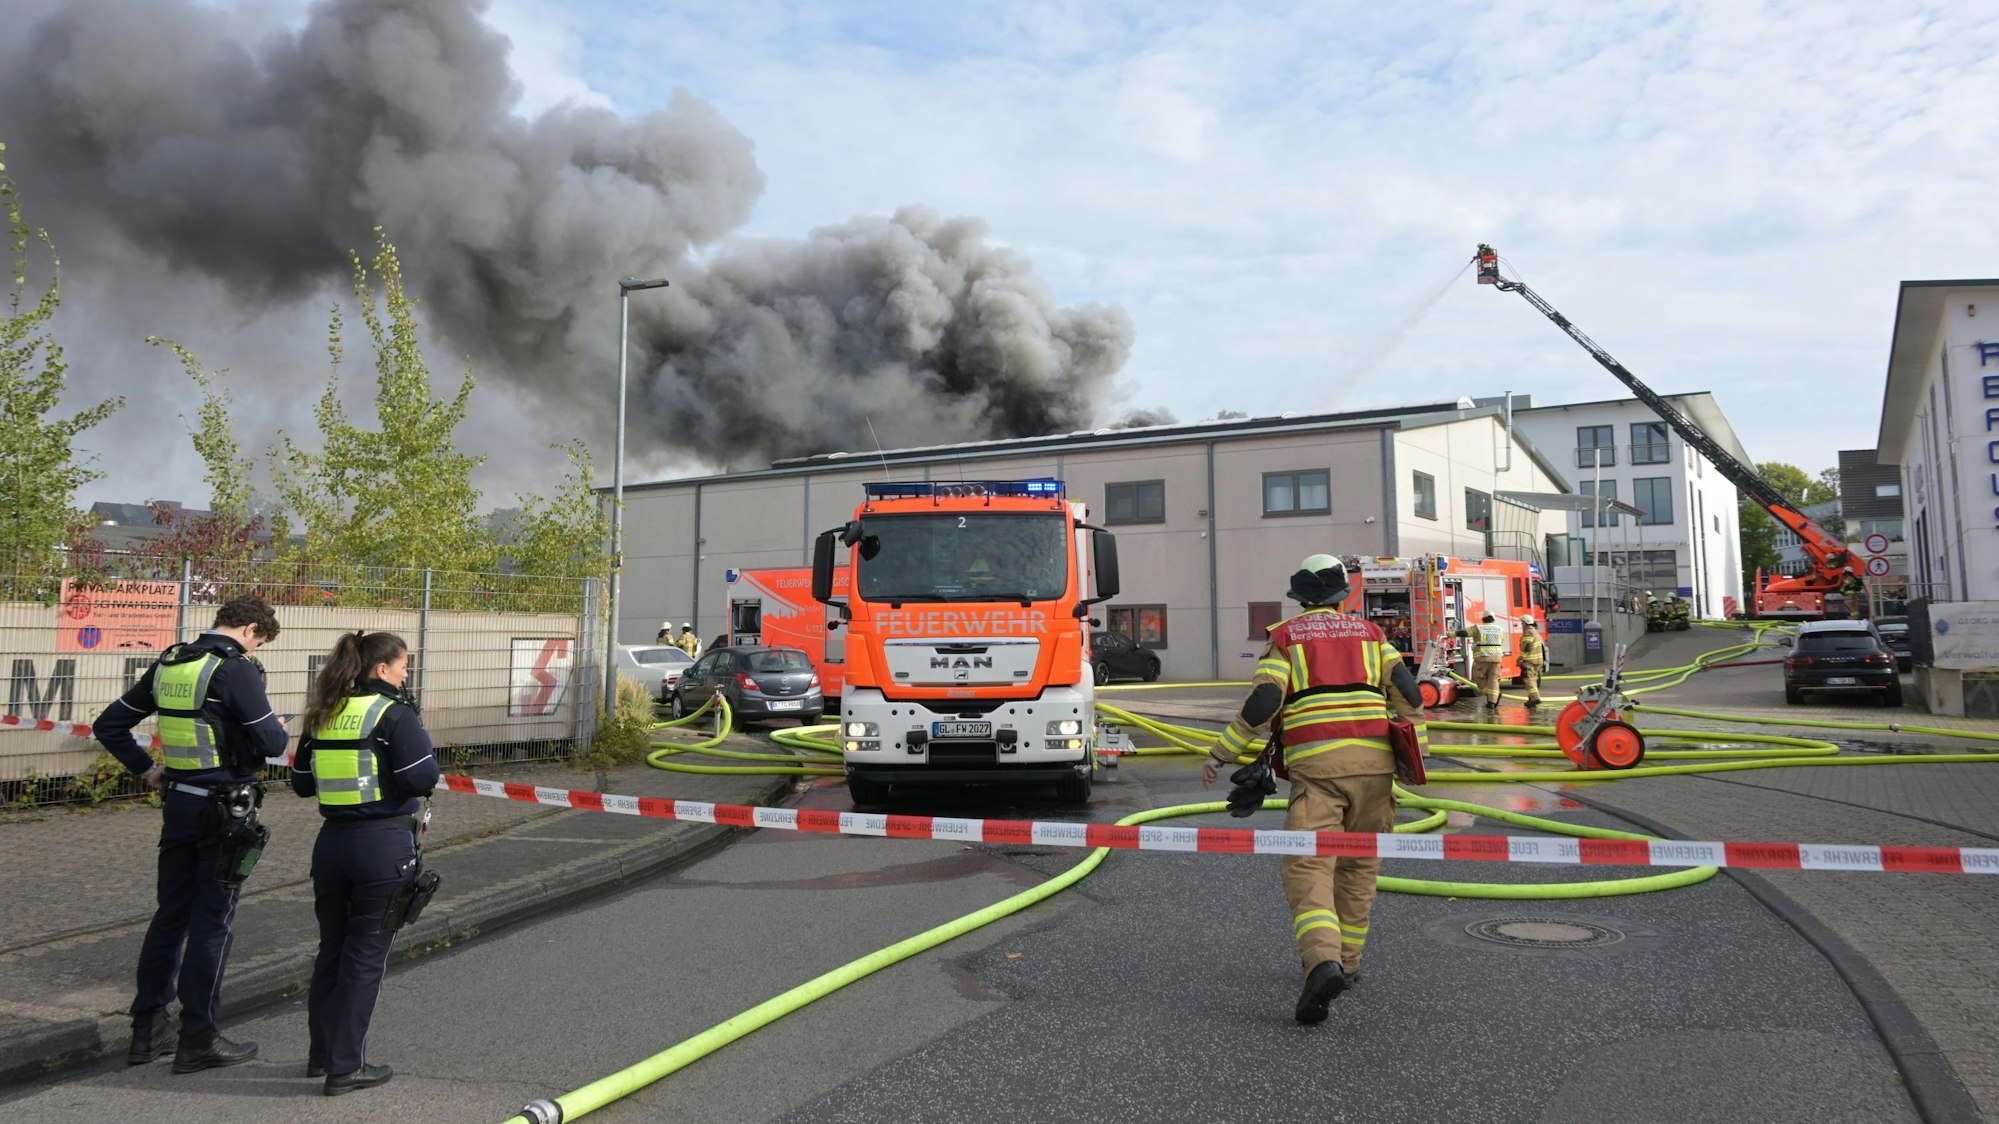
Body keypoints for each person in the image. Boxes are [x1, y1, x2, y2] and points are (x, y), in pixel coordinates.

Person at [1202, 554, 1426, 1024]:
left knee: (1308, 865)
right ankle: (1348, 963)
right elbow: (1410, 692)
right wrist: (1416, 751)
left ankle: (1322, 961)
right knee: (1359, 866)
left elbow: (1265, 701)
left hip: (1319, 771)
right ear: (1343, 594)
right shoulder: (1372, 634)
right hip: (1375, 769)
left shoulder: (1286, 638)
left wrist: (1221, 753)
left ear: (1300, 596)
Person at [93, 596, 289, 1073]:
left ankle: (147, 1032)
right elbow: (273, 744)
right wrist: (276, 728)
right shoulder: (234, 669)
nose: (254, 650)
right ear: (248, 629)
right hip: (225, 811)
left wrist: (148, 771)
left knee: (170, 918)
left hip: (179, 803)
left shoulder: (171, 662)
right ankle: (198, 1038)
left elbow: (109, 724)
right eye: (258, 641)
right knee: (211, 924)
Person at [290, 631, 440, 1096]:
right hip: (381, 847)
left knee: (332, 952)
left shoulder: (325, 712)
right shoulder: (394, 714)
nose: (406, 673)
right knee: (365, 958)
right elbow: (422, 777)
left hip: (331, 845)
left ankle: (323, 1055)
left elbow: (300, 783)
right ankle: (346, 1067)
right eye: (403, 665)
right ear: (382, 670)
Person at [1453, 611, 1508, 707]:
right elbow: (1502, 641)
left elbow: (1464, 632)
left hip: (1483, 658)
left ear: (1483, 619)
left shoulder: (1478, 628)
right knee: (1493, 680)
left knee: (1479, 678)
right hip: (1497, 658)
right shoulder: (1500, 629)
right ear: (1493, 619)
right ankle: (1492, 701)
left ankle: (1493, 696)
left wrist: (1450, 634)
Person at [1518, 618, 1546, 708]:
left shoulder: (1528, 632)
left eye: (1522, 622)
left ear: (1526, 623)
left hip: (1530, 660)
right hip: (1538, 660)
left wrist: (1522, 658)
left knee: (1528, 679)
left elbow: (1526, 647)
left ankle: (1535, 698)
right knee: (1533, 680)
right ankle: (1531, 699)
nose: (1521, 624)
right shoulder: (1535, 632)